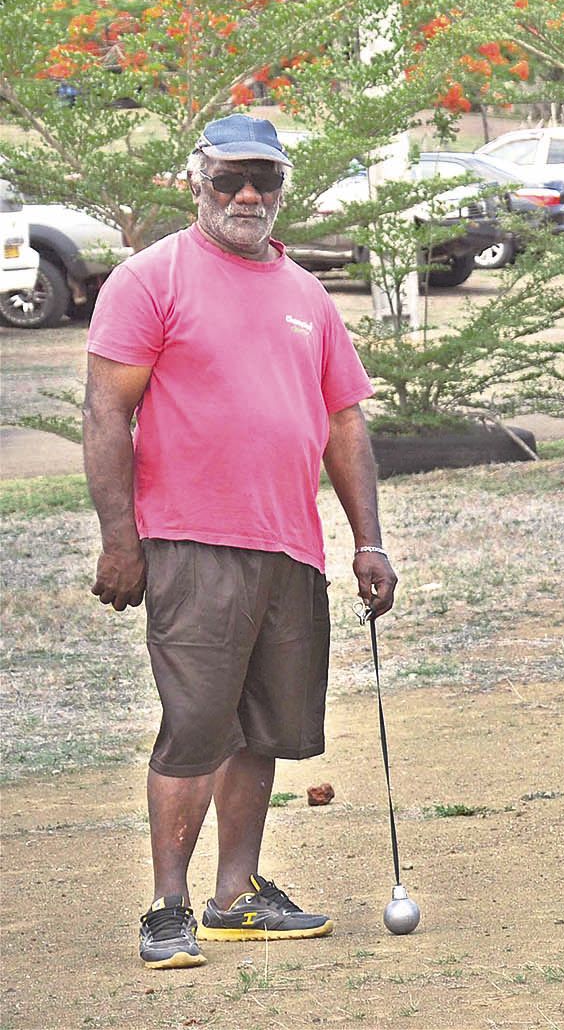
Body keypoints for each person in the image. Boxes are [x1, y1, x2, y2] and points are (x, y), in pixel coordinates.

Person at [83, 114, 398, 968]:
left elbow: (342, 422)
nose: (248, 196)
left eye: (264, 181)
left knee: (262, 728)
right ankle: (166, 908)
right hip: (191, 541)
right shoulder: (153, 279)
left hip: (289, 544)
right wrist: (122, 540)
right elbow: (107, 410)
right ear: (199, 183)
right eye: (230, 180)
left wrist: (368, 540)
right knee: (195, 724)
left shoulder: (304, 293)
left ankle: (235, 896)